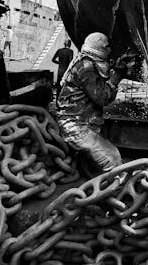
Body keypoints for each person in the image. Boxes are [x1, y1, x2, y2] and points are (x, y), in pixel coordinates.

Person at [56, 32, 128, 173]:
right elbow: (102, 98)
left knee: (113, 154)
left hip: (80, 123)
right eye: (107, 49)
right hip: (75, 126)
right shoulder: (86, 68)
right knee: (111, 158)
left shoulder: (86, 62)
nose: (110, 51)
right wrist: (116, 77)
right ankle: (113, 190)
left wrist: (114, 72)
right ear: (102, 49)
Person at [51, 38, 75, 103]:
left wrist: (59, 63)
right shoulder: (70, 51)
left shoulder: (59, 50)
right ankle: (64, 103)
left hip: (59, 71)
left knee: (58, 88)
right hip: (66, 72)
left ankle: (57, 103)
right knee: (67, 88)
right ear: (69, 44)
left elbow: (52, 60)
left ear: (64, 44)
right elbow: (70, 63)